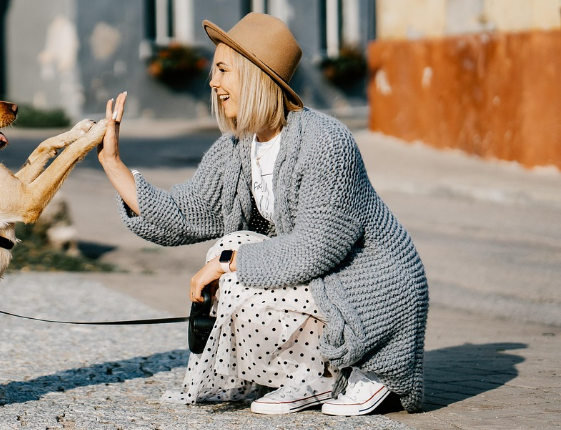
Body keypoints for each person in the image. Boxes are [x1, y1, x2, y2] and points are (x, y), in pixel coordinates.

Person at [97, 13, 428, 416]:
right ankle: (306, 375)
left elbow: (315, 249)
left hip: (371, 290)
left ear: (255, 75)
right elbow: (185, 213)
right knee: (230, 247)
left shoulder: (326, 142)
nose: (212, 82)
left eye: (222, 70)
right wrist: (113, 164)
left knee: (231, 260)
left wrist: (226, 265)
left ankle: (345, 370)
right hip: (322, 283)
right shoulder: (238, 147)